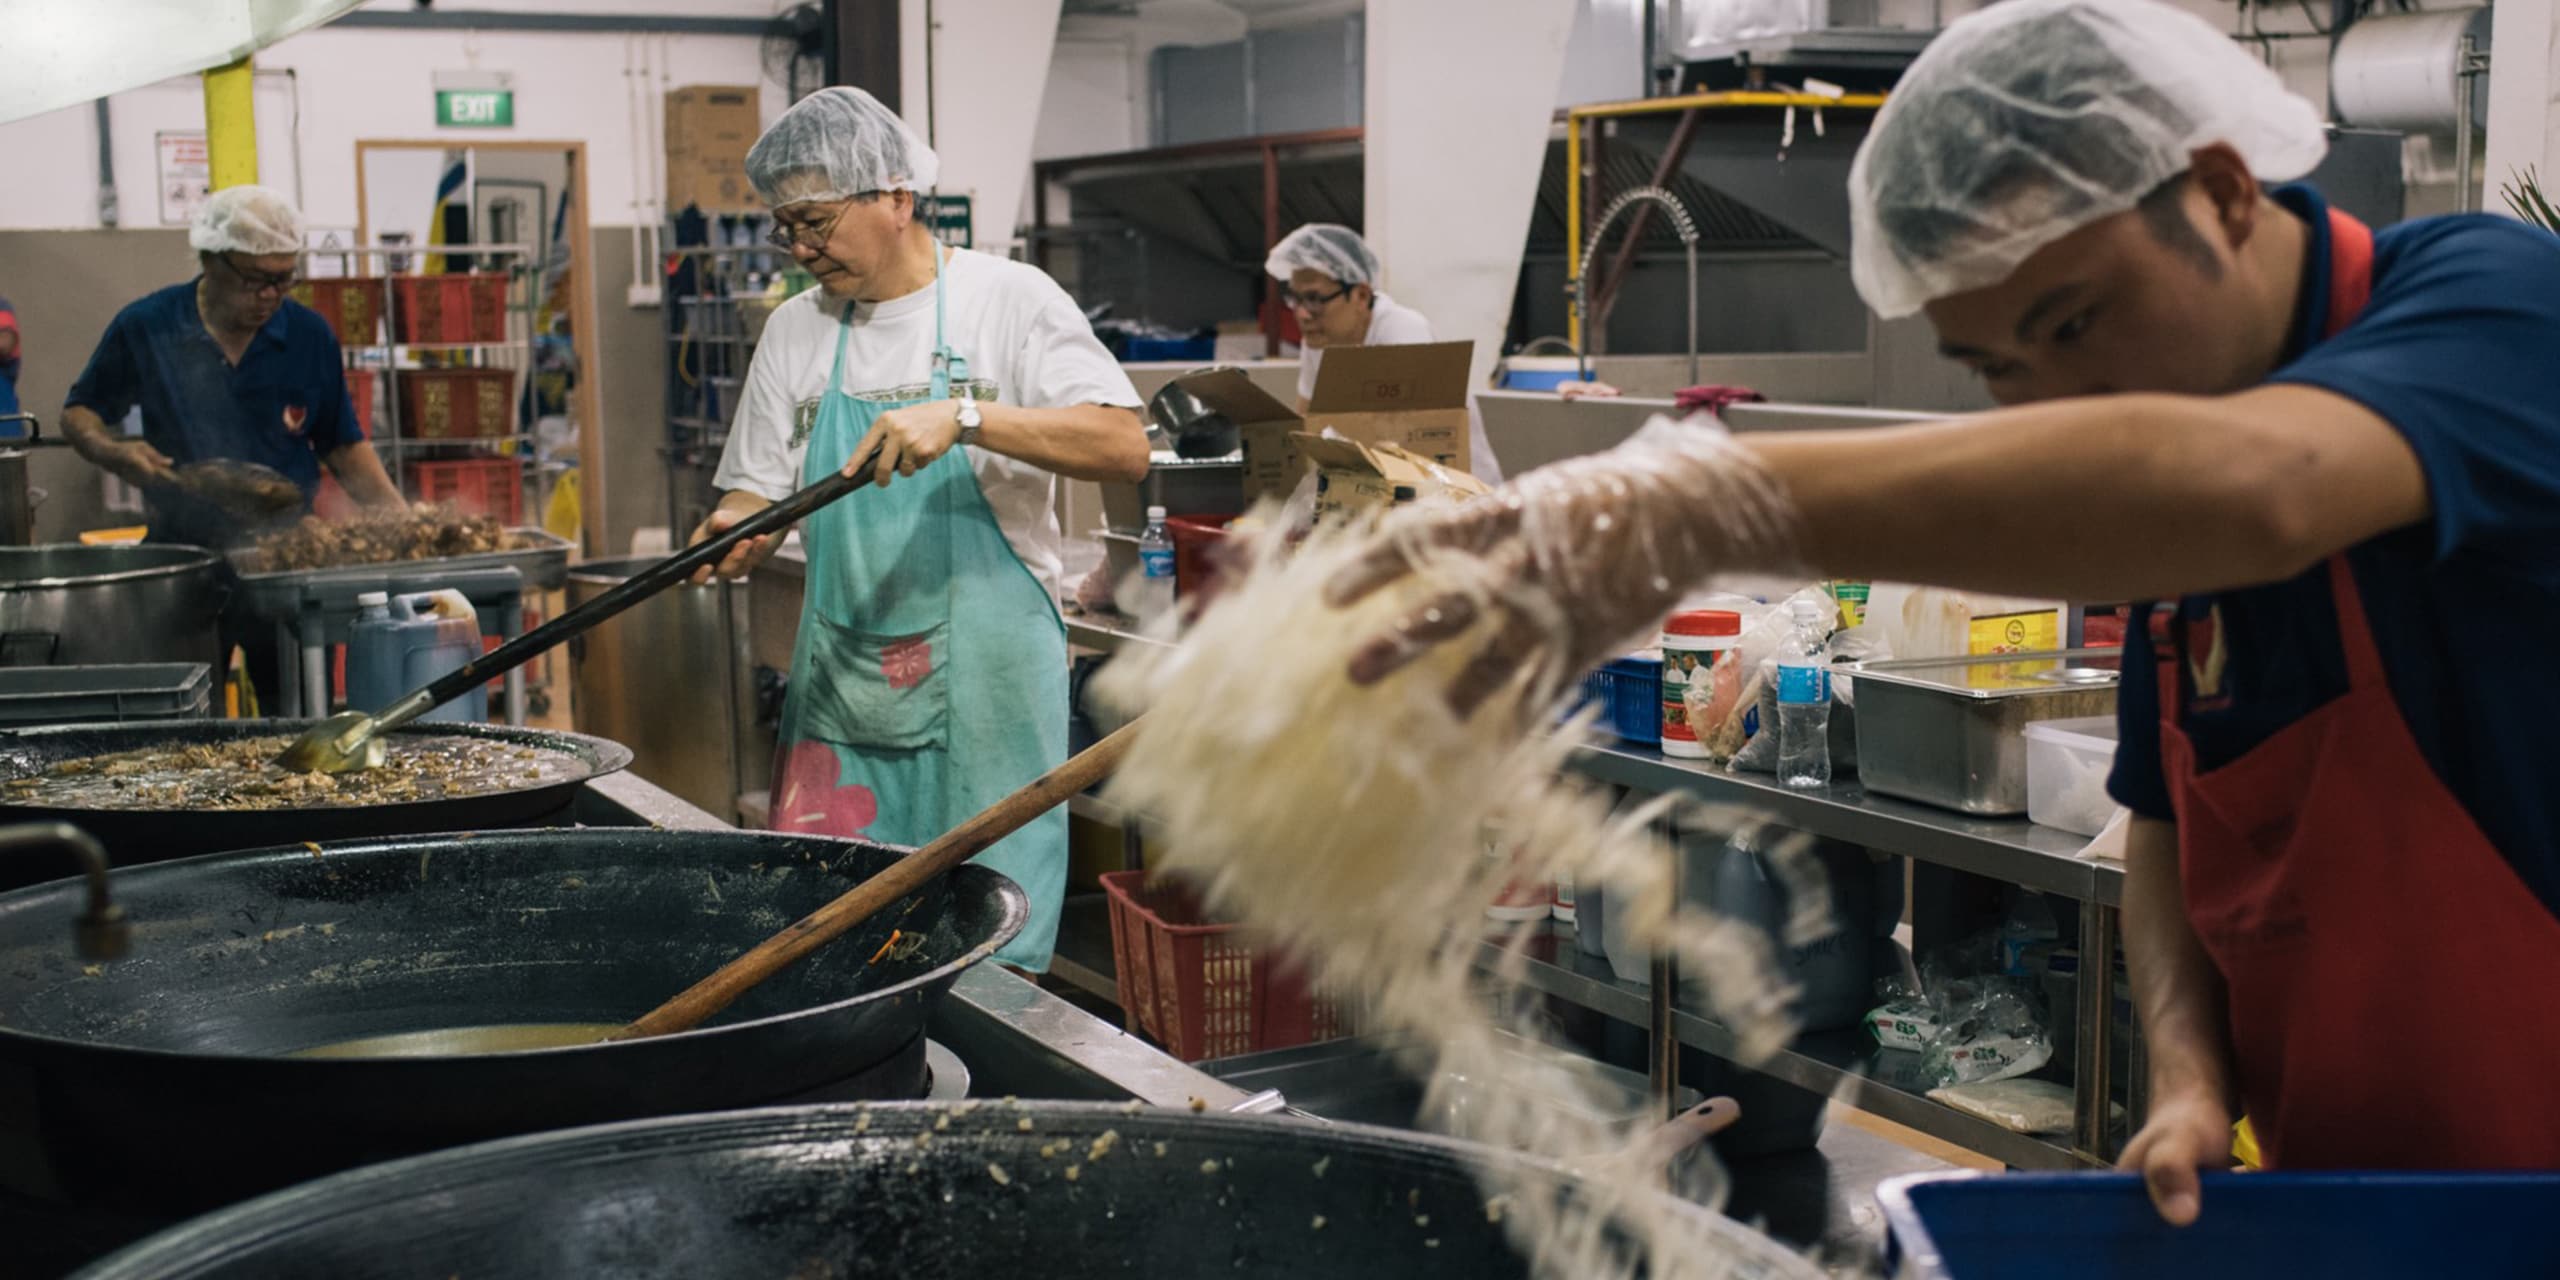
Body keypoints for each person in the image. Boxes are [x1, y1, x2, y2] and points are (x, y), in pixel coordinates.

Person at [1334, 0, 2560, 1218]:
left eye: (2073, 321)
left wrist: (1682, 507)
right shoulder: (2174, 550)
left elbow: (2264, 487)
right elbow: (2164, 827)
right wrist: (2188, 1076)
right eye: (1999, 373)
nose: (2061, 402)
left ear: (2224, 192)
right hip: (2360, 1211)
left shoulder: (2491, 311)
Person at [692, 86, 1148, 972]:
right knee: (833, 934)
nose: (801, 248)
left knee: (987, 944)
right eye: (786, 228)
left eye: (817, 221)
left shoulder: (1009, 301)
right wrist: (731, 529)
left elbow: (1123, 445)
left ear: (896, 196)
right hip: (845, 680)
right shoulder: (795, 329)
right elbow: (751, 493)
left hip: (988, 686)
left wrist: (969, 417)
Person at [62, 185, 403, 704]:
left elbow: (343, 446)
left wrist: (406, 525)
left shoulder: (308, 337)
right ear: (209, 260)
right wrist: (115, 452)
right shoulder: (149, 326)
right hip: (183, 560)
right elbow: (78, 413)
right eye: (255, 279)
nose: (270, 295)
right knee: (179, 722)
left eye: (283, 279)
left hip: (285, 560)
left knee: (297, 717)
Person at [1266, 223, 1501, 481]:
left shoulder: (1403, 333)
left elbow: (1410, 441)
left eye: (1314, 299)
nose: (1302, 314)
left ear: (1361, 295)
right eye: (1295, 299)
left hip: (1455, 493)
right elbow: (1307, 422)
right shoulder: (1319, 340)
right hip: (1381, 487)